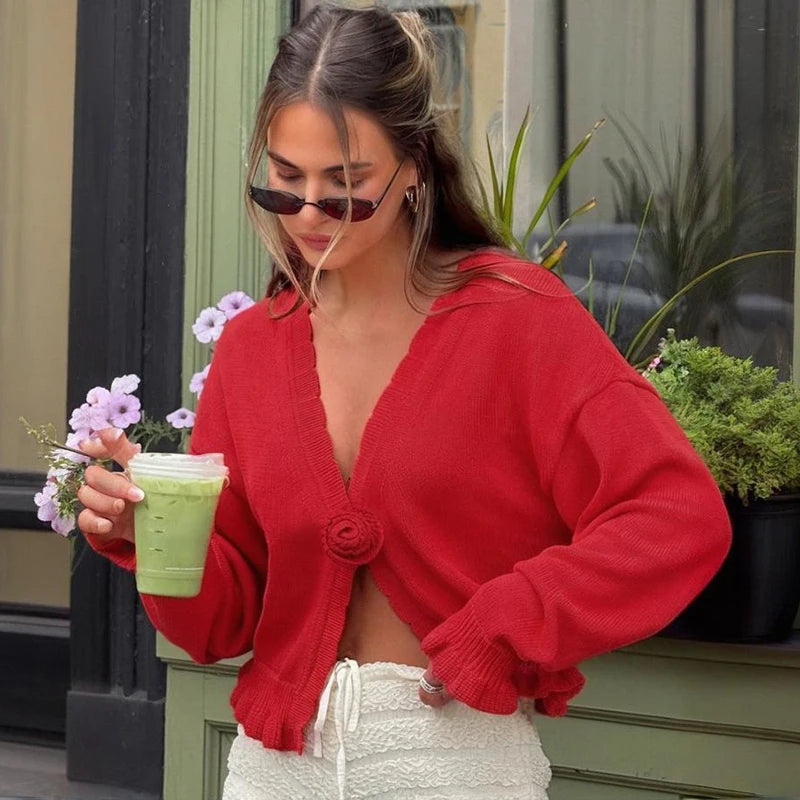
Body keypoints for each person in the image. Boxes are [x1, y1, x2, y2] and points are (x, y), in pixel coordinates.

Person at [76, 4, 732, 799]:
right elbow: (222, 623)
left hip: (452, 762)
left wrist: (505, 624)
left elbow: (675, 516)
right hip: (275, 769)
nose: (311, 216)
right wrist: (149, 532)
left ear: (415, 165)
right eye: (285, 184)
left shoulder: (517, 319)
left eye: (347, 187)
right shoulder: (253, 350)